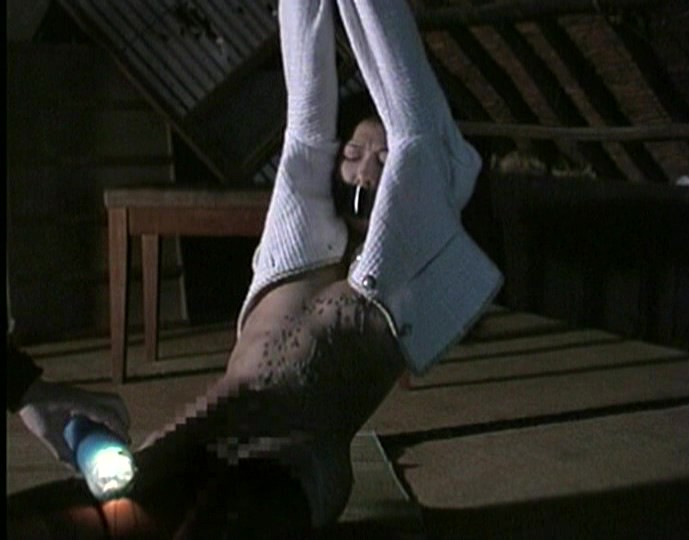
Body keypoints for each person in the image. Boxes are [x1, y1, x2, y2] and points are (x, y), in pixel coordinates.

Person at [7, 1, 502, 538]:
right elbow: (307, 122)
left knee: (220, 522)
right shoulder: (299, 242)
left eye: (382, 159)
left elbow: (416, 131)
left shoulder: (406, 263)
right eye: (354, 152)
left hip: (292, 463)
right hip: (198, 431)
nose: (364, 168)